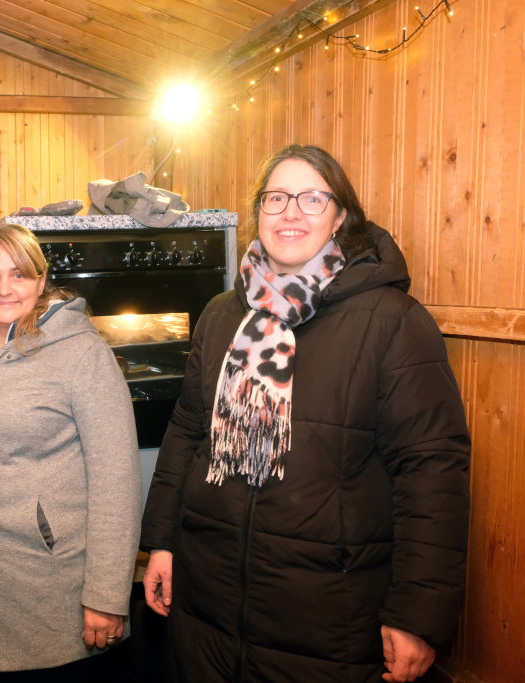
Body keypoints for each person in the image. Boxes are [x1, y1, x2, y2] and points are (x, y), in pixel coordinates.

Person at [141, 144, 471, 683]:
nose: (290, 212)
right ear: (259, 212)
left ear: (340, 217)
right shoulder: (221, 315)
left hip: (327, 618)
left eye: (312, 198)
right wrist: (161, 542)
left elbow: (432, 470)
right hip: (207, 605)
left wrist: (418, 614)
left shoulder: (392, 321)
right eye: (276, 198)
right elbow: (186, 435)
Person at [0, 223, 142, 682]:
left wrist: (106, 596)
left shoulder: (82, 354)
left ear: (41, 282)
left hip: (47, 583)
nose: (4, 289)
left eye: (18, 274)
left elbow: (116, 480)